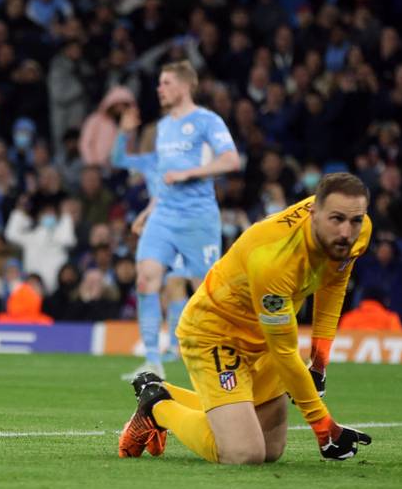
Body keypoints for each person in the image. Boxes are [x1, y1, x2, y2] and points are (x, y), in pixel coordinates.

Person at [118, 173, 374, 464]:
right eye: (337, 219)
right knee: (244, 453)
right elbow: (285, 353)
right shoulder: (273, 260)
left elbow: (334, 281)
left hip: (265, 332)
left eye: (355, 220)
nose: (346, 231)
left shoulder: (358, 229)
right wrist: (323, 427)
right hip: (216, 331)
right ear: (314, 213)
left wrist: (319, 362)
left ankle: (167, 393)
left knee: (270, 449)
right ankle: (157, 405)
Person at [121, 60, 240, 380]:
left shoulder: (206, 121)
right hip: (163, 215)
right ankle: (152, 361)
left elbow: (231, 159)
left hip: (198, 218)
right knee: (146, 278)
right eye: (159, 83)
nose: (160, 89)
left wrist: (190, 173)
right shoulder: (163, 127)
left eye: (166, 83)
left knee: (207, 291)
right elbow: (163, 177)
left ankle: (225, 355)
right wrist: (149, 210)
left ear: (186, 86)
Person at [112, 105, 191, 377]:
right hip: (161, 227)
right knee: (155, 283)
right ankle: (157, 357)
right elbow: (118, 159)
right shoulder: (149, 161)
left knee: (177, 284)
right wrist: (123, 133)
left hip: (185, 227)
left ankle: (176, 349)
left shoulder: (183, 160)